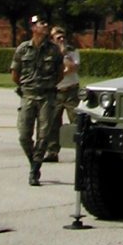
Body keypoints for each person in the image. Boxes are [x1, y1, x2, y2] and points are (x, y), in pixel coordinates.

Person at [10, 14, 64, 185]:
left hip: (47, 96)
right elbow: (15, 74)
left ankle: (35, 169)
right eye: (41, 23)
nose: (45, 25)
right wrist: (28, 86)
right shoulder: (23, 49)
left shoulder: (54, 50)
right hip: (28, 95)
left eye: (46, 23)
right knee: (24, 135)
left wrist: (47, 86)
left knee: (44, 135)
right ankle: (34, 161)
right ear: (33, 28)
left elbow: (60, 73)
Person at [44, 26, 80, 162]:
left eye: (62, 35)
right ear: (51, 38)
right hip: (56, 91)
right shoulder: (48, 51)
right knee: (53, 122)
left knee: (76, 122)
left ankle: (80, 152)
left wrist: (63, 55)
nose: (61, 38)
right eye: (57, 36)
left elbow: (73, 68)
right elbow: (50, 71)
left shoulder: (72, 51)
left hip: (71, 91)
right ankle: (52, 152)